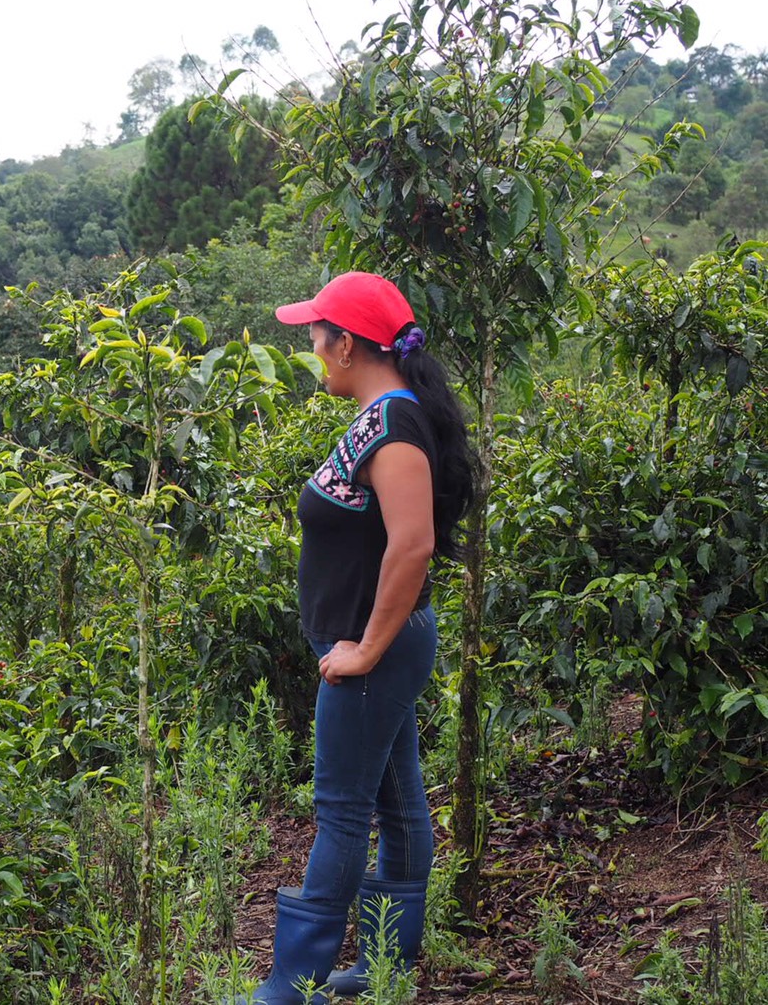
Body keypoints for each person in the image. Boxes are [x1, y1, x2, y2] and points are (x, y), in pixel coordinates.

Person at [241, 271, 477, 1003]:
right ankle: (383, 969)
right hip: (376, 647)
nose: (311, 346)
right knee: (398, 805)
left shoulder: (396, 426)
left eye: (315, 334)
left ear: (346, 345)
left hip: (374, 651)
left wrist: (368, 649)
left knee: (341, 811)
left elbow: (413, 544)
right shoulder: (385, 416)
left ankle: (292, 984)